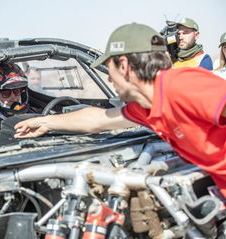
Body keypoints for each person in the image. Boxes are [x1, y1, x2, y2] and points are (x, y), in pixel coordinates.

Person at [14, 23, 226, 197]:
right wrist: (45, 122)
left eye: (110, 69)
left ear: (124, 65)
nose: (108, 78)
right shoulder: (146, 107)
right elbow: (96, 120)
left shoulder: (180, 86)